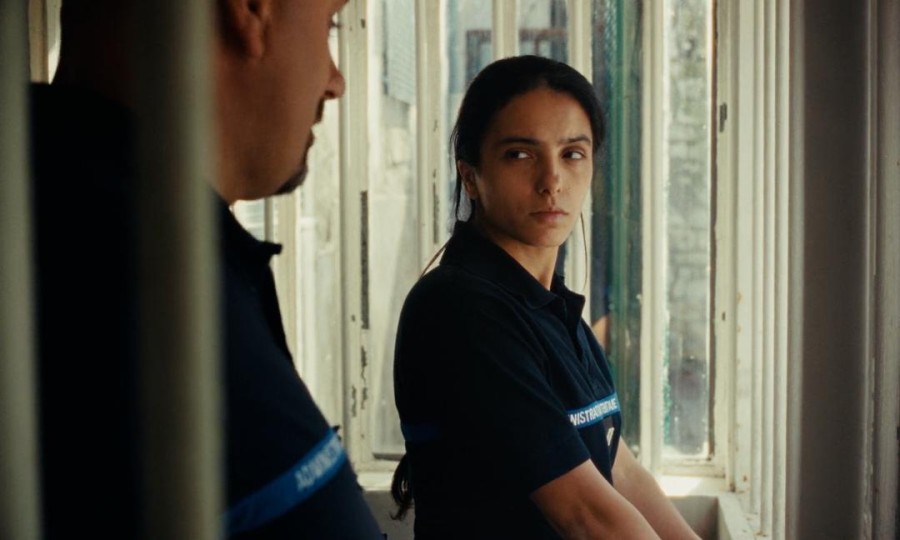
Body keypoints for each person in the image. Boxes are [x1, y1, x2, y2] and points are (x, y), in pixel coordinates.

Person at [30, 0, 382, 537]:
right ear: (249, 11)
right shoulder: (148, 287)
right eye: (329, 24)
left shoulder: (61, 204)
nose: (336, 81)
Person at [391, 56, 699, 539]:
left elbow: (621, 470)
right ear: (470, 175)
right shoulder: (458, 308)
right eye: (520, 154)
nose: (551, 180)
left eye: (572, 153)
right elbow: (586, 515)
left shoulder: (553, 308)